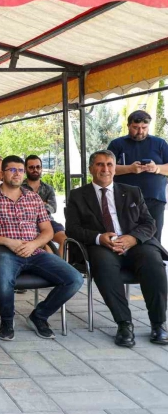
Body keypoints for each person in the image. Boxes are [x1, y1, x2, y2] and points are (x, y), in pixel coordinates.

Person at [0, 155, 83, 341]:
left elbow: (47, 231)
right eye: (12, 170)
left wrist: (34, 244)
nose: (17, 174)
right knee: (3, 280)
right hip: (4, 251)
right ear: (2, 173)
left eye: (20, 170)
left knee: (75, 279)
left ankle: (39, 316)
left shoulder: (33, 198)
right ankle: (7, 319)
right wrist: (7, 242)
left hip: (34, 251)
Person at [66, 149, 168, 346]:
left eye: (109, 164)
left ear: (114, 168)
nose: (105, 169)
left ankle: (158, 324)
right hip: (101, 246)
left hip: (134, 244)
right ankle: (124, 324)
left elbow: (149, 223)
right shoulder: (78, 195)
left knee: (154, 262)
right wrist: (99, 237)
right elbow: (72, 228)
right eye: (100, 164)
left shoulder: (132, 191)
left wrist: (132, 238)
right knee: (103, 265)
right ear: (91, 169)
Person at [108, 110, 168, 242]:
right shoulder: (117, 144)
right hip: (125, 199)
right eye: (135, 127)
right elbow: (106, 169)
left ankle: (154, 255)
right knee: (126, 236)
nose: (140, 131)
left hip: (154, 199)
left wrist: (156, 168)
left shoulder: (160, 143)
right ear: (128, 125)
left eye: (144, 128)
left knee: (154, 236)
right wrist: (130, 168)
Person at [22, 155, 66, 256]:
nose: (35, 170)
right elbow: (21, 208)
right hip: (28, 223)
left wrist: (32, 206)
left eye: (38, 167)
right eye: (31, 167)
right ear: (25, 169)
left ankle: (62, 264)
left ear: (41, 168)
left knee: (64, 240)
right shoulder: (20, 188)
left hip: (48, 221)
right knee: (45, 245)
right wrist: (43, 204)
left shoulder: (48, 188)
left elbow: (53, 207)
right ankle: (53, 264)